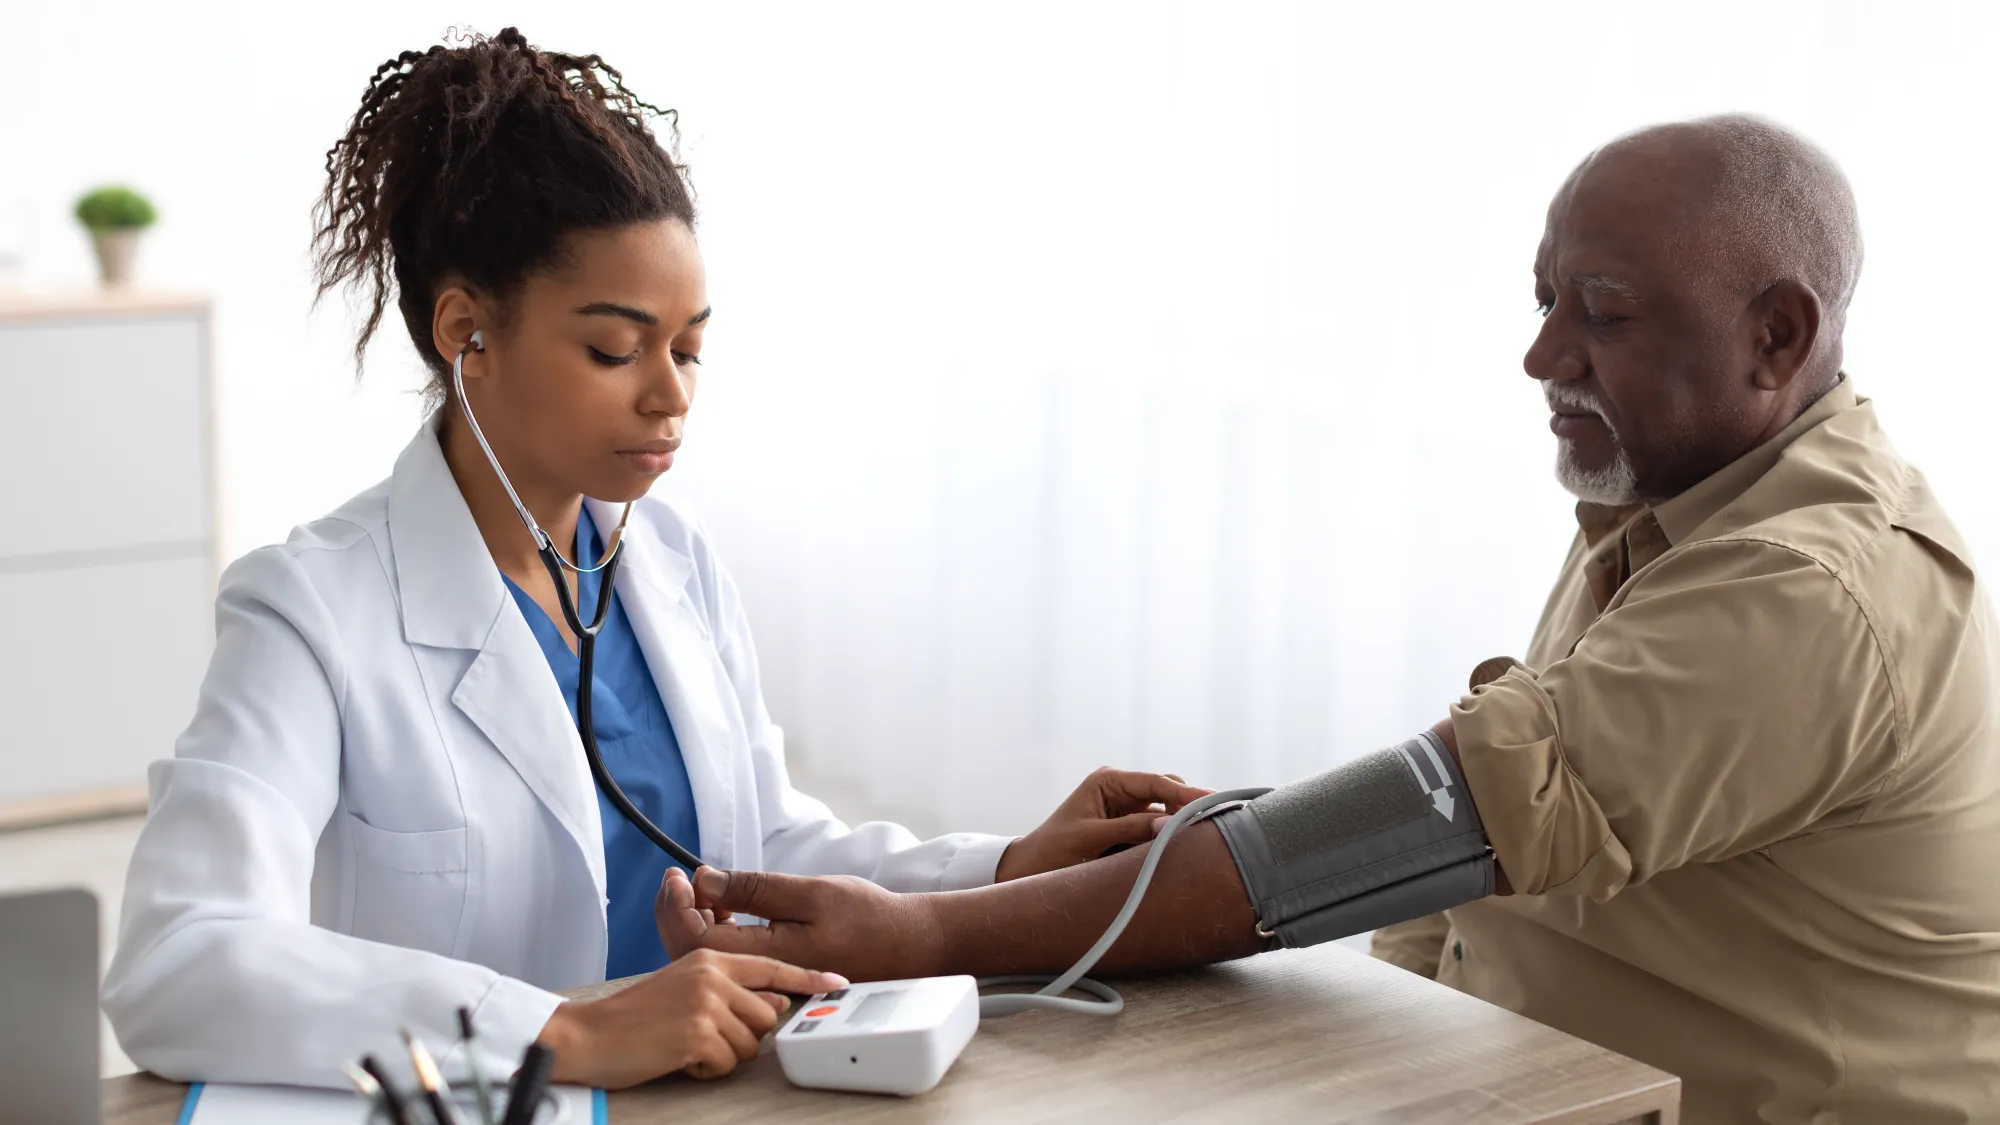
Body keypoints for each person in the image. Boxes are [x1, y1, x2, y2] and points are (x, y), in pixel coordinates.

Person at [657, 115, 2000, 1124]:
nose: (1543, 358)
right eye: (1544, 303)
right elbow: (1477, 865)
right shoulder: (1676, 502)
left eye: (1605, 315)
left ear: (1778, 336)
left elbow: (1437, 816)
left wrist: (933, 933)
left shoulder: (1808, 588)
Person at [100, 27, 1206, 1092]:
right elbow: (178, 962)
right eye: (615, 348)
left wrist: (1006, 869)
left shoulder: (670, 559)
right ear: (463, 332)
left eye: (688, 348)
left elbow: (758, 841)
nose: (670, 395)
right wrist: (565, 1030)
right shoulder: (309, 610)